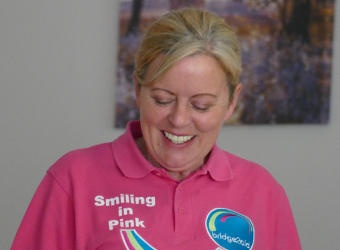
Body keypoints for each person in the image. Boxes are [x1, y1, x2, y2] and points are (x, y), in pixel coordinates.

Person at [11, 8, 301, 250]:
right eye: (163, 99)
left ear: (231, 102)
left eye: (200, 105)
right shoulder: (73, 180)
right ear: (138, 90)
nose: (178, 119)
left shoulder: (263, 191)